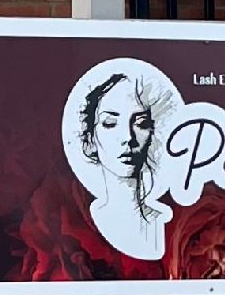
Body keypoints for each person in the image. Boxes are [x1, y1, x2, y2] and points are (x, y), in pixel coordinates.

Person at [65, 65, 173, 262]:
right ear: (90, 141)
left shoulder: (165, 223)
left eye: (141, 124)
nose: (128, 137)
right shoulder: (86, 223)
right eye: (109, 123)